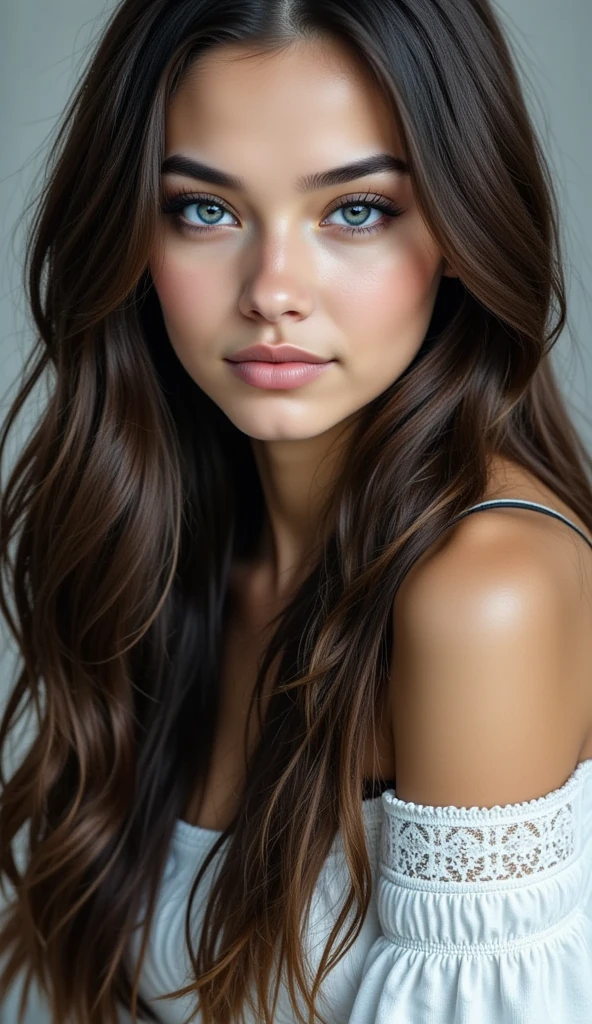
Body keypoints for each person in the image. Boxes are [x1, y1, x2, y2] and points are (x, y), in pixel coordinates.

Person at [1, 0, 592, 1021]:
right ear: (134, 239)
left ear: (456, 227)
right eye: (205, 210)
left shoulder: (481, 591)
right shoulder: (167, 541)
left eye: (355, 209)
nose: (273, 290)